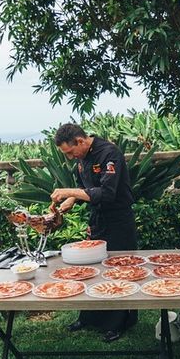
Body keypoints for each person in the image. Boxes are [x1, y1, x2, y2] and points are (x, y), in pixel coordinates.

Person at [50, 123, 138, 342]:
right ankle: (88, 317)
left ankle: (117, 324)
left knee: (118, 270)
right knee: (91, 269)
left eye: (70, 152)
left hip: (118, 220)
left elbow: (107, 193)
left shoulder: (110, 154)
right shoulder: (82, 158)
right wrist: (71, 200)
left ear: (80, 141)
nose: (70, 157)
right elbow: (85, 187)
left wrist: (68, 191)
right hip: (98, 220)